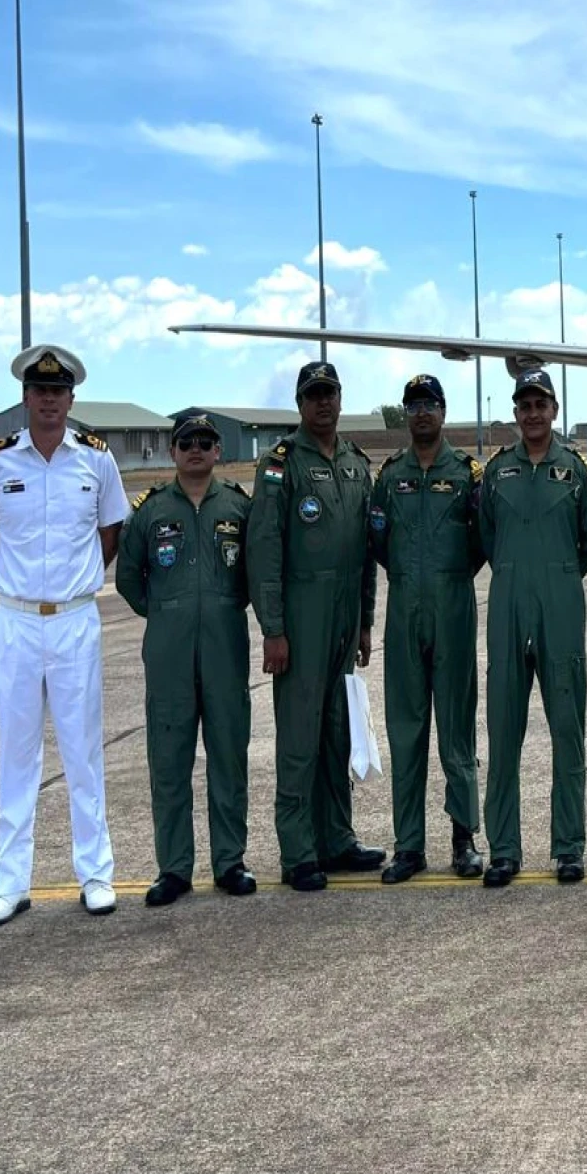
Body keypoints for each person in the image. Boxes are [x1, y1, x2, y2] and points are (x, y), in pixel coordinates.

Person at [0, 345, 128, 928]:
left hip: (76, 621)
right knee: (18, 755)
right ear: (26, 397)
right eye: (40, 391)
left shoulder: (97, 461)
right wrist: (22, 591)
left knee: (83, 750)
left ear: (71, 398)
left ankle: (96, 875)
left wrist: (67, 588)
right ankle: (10, 884)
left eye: (59, 392)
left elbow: (110, 536)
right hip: (17, 623)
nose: (50, 400)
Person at [247, 360, 384, 892]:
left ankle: (337, 839)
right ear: (300, 404)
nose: (323, 403)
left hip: (346, 615)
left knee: (337, 732)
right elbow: (264, 549)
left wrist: (366, 621)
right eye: (313, 395)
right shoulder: (282, 464)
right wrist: (274, 628)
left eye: (330, 393)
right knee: (300, 736)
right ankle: (299, 850)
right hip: (302, 616)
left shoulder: (355, 462)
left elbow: (366, 551)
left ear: (340, 400)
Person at [115, 413, 258, 906]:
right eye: (186, 443)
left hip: (224, 648)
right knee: (170, 761)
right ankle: (174, 868)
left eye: (205, 442)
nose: (195, 449)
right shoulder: (152, 511)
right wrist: (166, 613)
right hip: (169, 654)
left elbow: (253, 575)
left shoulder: (239, 507)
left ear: (218, 451)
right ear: (173, 452)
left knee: (228, 756)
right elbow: (129, 578)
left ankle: (230, 861)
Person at [478, 369, 587, 886]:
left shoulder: (573, 471)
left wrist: (558, 574)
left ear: (554, 411)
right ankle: (503, 849)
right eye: (524, 405)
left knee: (567, 732)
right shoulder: (496, 473)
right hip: (508, 604)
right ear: (516, 413)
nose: (532, 413)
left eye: (540, 404)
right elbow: (486, 535)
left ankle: (568, 846)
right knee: (503, 733)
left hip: (560, 604)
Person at [369, 374, 486, 884]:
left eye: (430, 405)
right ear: (406, 414)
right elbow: (376, 542)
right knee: (406, 730)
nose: (421, 413)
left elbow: (482, 539)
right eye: (413, 405)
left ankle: (464, 838)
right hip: (404, 609)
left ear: (443, 411)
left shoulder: (466, 473)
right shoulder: (389, 476)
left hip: (453, 605)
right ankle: (408, 846)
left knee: (456, 730)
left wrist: (450, 578)